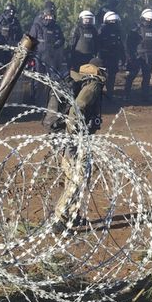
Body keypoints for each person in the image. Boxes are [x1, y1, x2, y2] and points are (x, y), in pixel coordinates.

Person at [50, 61, 106, 231]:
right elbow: (78, 107)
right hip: (75, 138)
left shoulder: (83, 82)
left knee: (75, 177)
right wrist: (75, 136)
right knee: (79, 176)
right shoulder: (94, 85)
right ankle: (60, 218)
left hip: (68, 136)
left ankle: (72, 215)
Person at [125, 9, 152, 101]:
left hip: (149, 57)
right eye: (147, 19)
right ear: (143, 18)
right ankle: (126, 95)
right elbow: (129, 43)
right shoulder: (136, 29)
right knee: (132, 75)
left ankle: (145, 96)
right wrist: (131, 56)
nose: (149, 21)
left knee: (146, 77)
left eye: (151, 20)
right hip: (137, 56)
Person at [96, 12, 126, 98]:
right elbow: (97, 44)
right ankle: (99, 94)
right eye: (111, 21)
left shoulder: (118, 31)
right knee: (102, 75)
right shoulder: (102, 30)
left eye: (115, 21)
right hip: (104, 57)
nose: (113, 23)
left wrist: (123, 56)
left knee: (112, 76)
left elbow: (120, 45)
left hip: (114, 57)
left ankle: (110, 94)